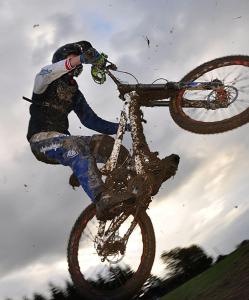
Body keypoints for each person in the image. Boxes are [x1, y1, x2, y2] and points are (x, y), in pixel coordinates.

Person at [26, 40, 130, 219]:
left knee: (107, 144)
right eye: (71, 58)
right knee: (74, 145)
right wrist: (81, 58)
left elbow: (91, 121)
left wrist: (122, 127)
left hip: (63, 139)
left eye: (77, 59)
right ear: (61, 60)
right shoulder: (44, 78)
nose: (77, 63)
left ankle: (134, 180)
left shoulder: (74, 92)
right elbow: (53, 70)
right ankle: (101, 198)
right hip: (41, 141)